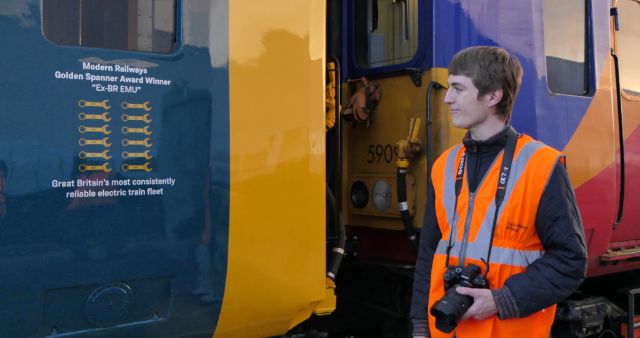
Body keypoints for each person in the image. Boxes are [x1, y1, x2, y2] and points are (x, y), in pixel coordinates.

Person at [410, 46, 587, 338]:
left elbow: (571, 261)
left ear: (493, 96)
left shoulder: (541, 166)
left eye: (458, 88)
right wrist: (419, 326)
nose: (447, 98)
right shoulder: (444, 166)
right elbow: (428, 254)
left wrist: (500, 300)